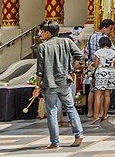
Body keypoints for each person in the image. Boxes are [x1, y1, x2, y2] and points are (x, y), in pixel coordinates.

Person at [33, 20, 84, 149]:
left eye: (42, 31)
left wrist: (37, 87)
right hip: (64, 81)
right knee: (70, 108)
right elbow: (79, 55)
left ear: (48, 33)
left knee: (52, 111)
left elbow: (40, 71)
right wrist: (72, 69)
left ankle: (55, 142)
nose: (40, 33)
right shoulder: (67, 42)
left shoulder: (43, 47)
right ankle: (78, 135)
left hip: (49, 83)